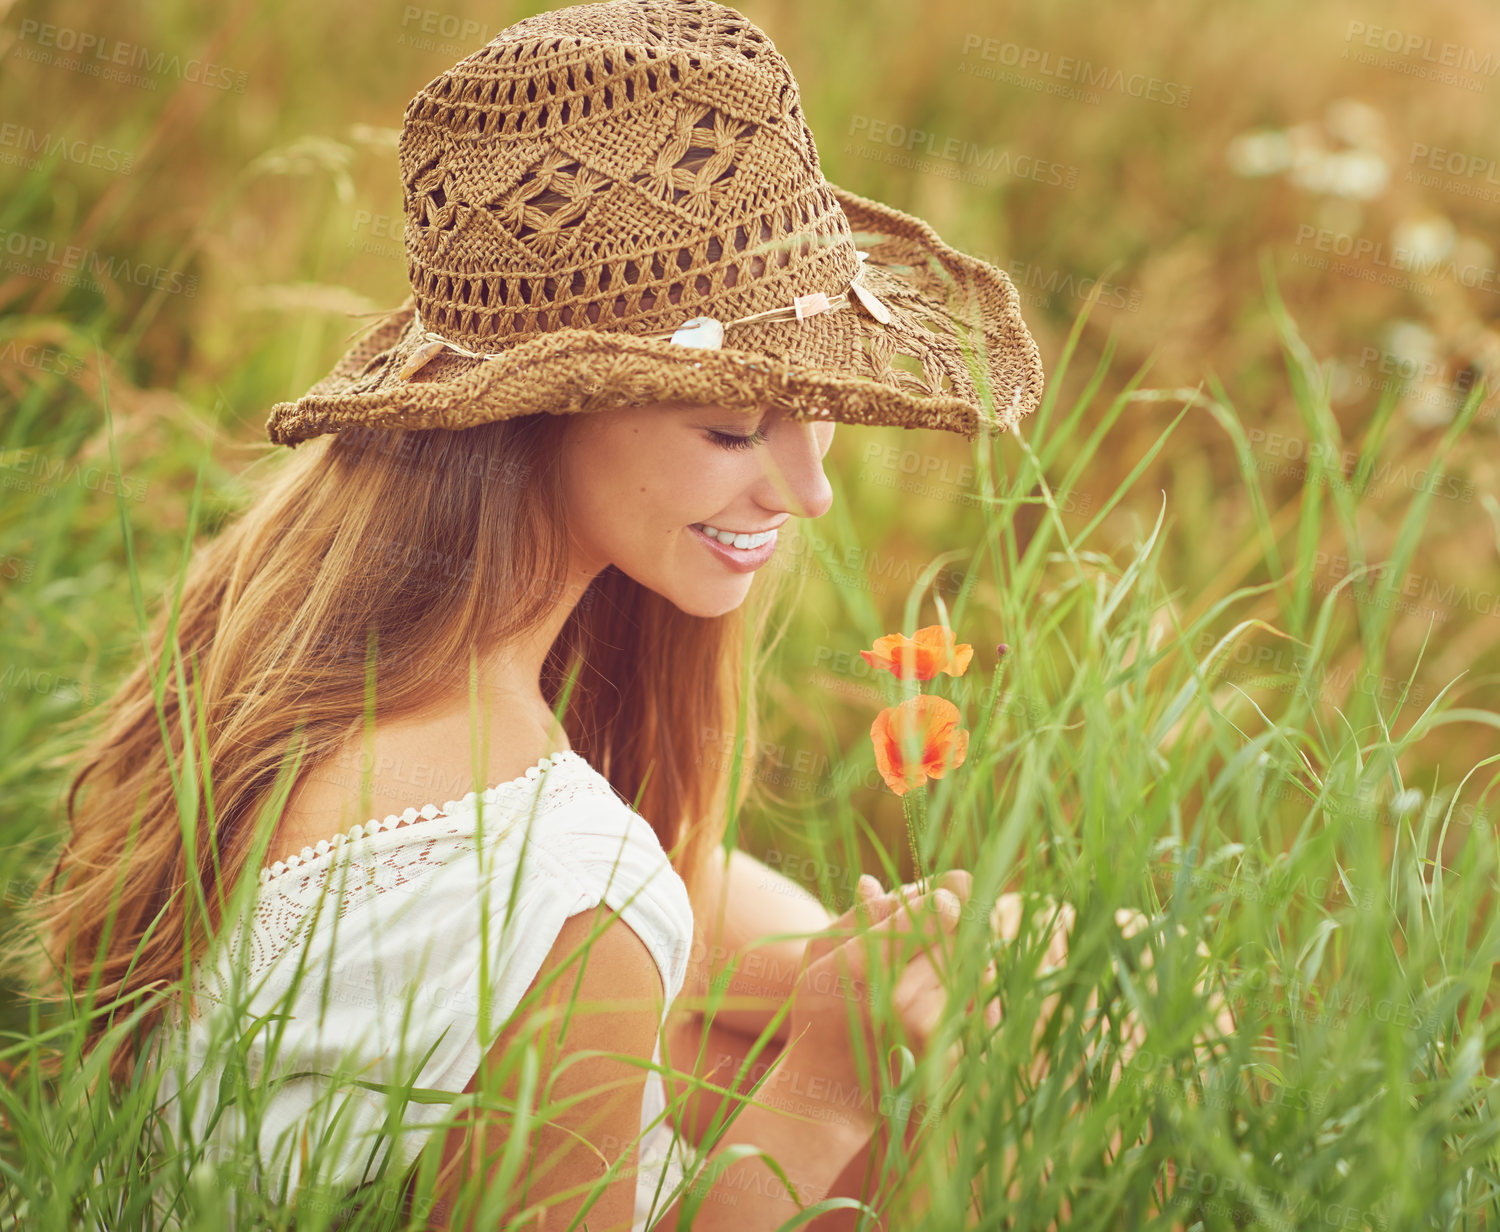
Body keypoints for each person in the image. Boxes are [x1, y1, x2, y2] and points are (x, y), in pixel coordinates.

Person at [12, 0, 1046, 1227]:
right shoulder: (567, 879)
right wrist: (834, 1072)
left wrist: (832, 986)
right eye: (729, 426)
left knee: (977, 976)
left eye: (807, 405)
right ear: (536, 410)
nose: (809, 489)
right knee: (999, 1062)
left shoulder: (272, 632)